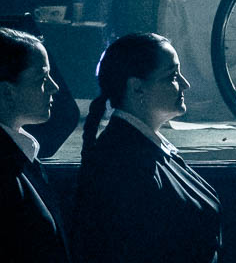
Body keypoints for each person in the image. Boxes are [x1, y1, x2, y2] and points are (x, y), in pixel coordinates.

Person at [72, 33, 221, 263]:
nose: (185, 84)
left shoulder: (141, 150)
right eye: (172, 76)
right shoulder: (126, 164)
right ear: (137, 88)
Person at [1, 27, 70, 263]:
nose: (54, 87)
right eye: (42, 78)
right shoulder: (5, 168)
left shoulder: (16, 155)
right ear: (7, 91)